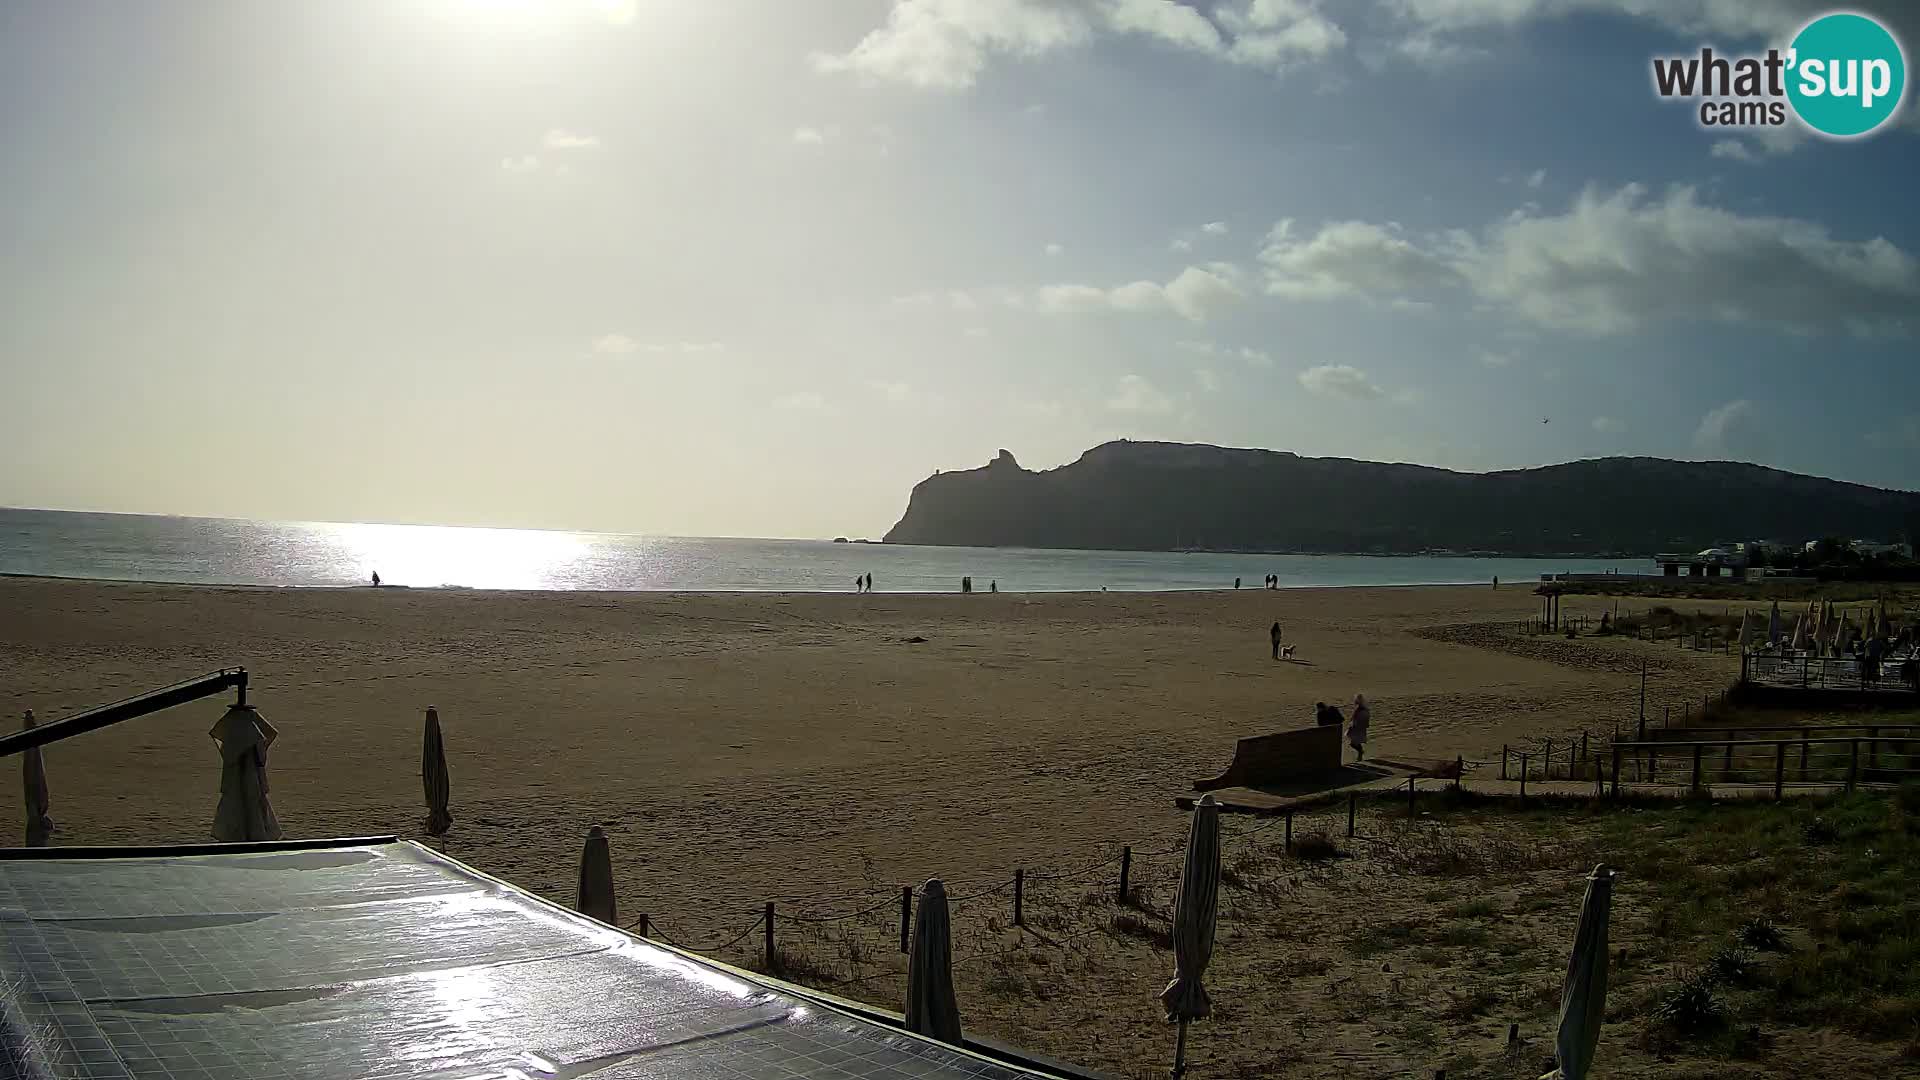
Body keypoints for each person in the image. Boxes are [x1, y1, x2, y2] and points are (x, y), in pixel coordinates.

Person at [1347, 694, 1371, 762]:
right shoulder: (1364, 708)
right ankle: (1360, 754)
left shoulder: (1359, 708)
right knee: (1356, 742)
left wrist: (1352, 724)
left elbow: (1354, 718)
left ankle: (1360, 753)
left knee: (1353, 743)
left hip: (1357, 727)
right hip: (1360, 727)